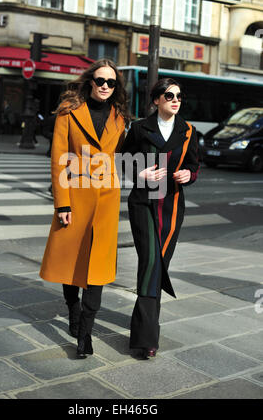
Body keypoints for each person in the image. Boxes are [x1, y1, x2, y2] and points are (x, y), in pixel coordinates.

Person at [39, 59, 129, 359]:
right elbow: (59, 158)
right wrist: (62, 202)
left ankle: (85, 334)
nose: (105, 86)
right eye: (100, 80)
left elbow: (124, 156)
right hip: (75, 197)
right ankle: (73, 310)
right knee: (71, 260)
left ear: (116, 87)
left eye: (111, 82)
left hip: (105, 201)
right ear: (90, 81)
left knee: (97, 268)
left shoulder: (119, 118)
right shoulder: (69, 112)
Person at [121, 78, 199, 359]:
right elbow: (121, 160)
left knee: (157, 265)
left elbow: (193, 165)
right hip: (143, 204)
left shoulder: (188, 131)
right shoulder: (140, 128)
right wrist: (139, 174)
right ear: (156, 100)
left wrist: (188, 175)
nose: (175, 100)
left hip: (172, 207)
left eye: (179, 95)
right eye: (169, 96)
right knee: (152, 262)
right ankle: (146, 339)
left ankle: (146, 326)